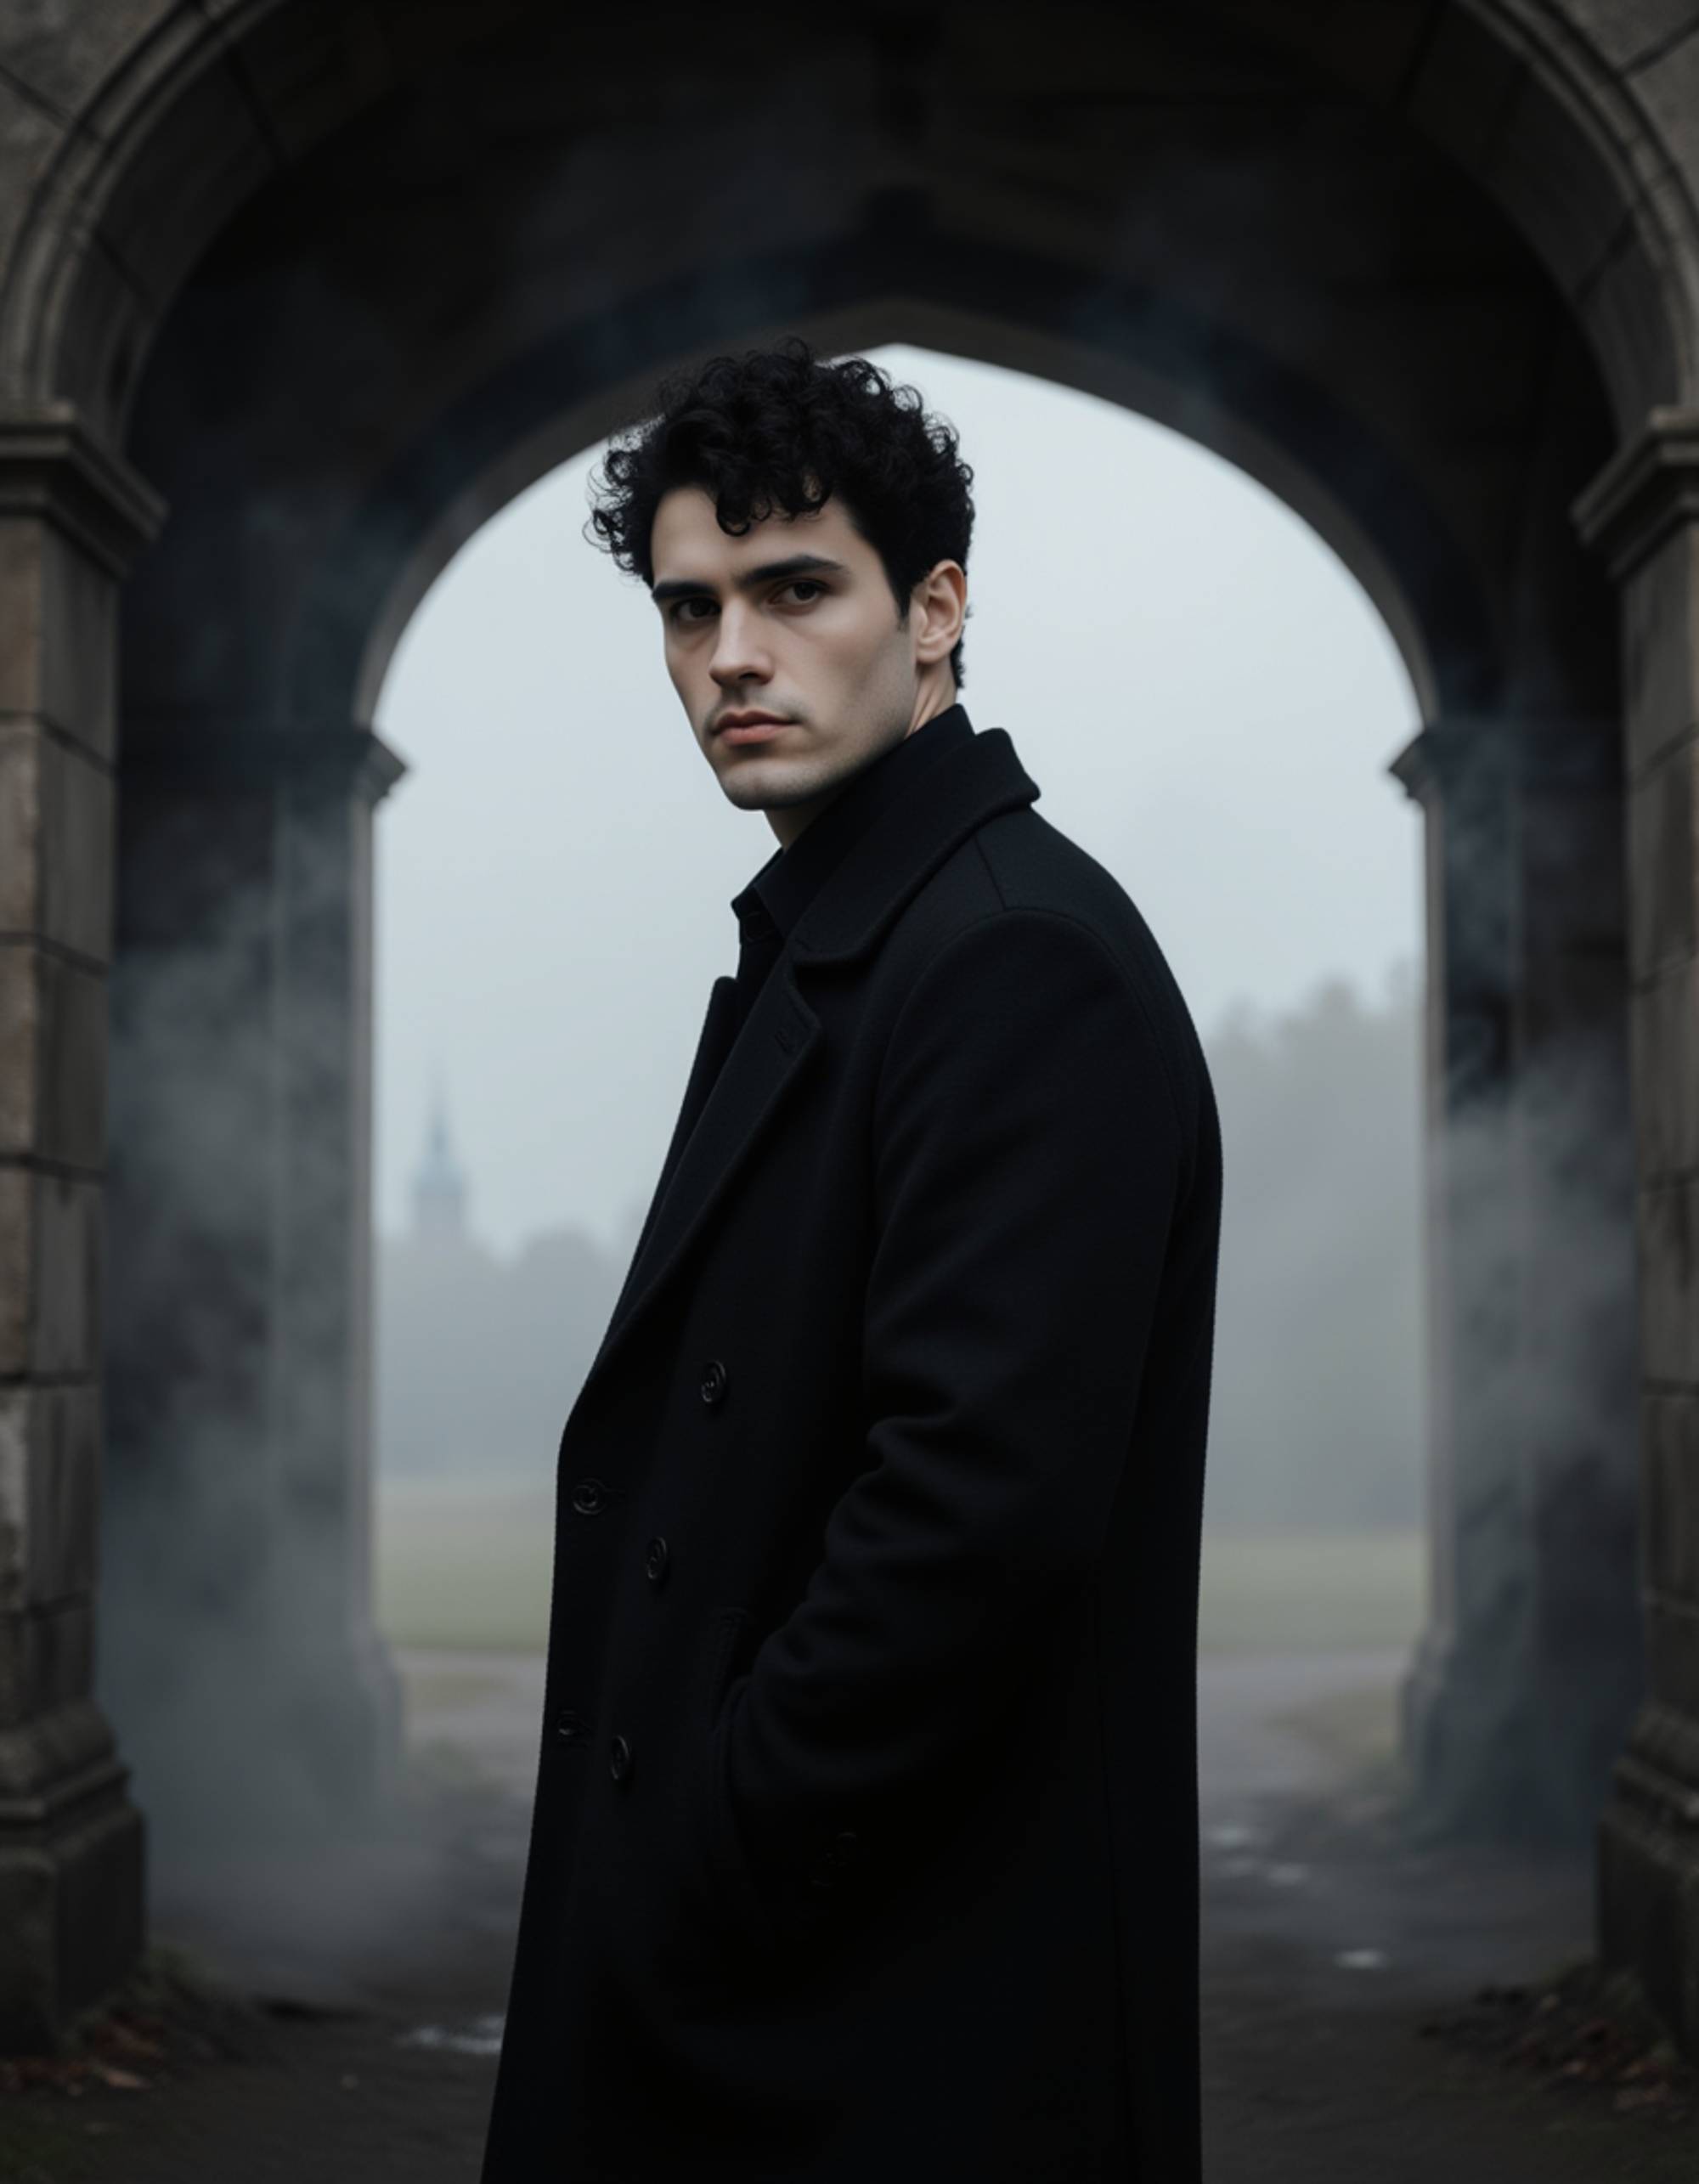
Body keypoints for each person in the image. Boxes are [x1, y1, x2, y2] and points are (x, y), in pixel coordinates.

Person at [479, 337, 1222, 2183]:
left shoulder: (1012, 958)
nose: (732, 653)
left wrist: (705, 1850)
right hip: (806, 2000)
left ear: (936, 610)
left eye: (796, 589)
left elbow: (973, 1523)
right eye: (690, 608)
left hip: (888, 2024)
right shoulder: (859, 938)